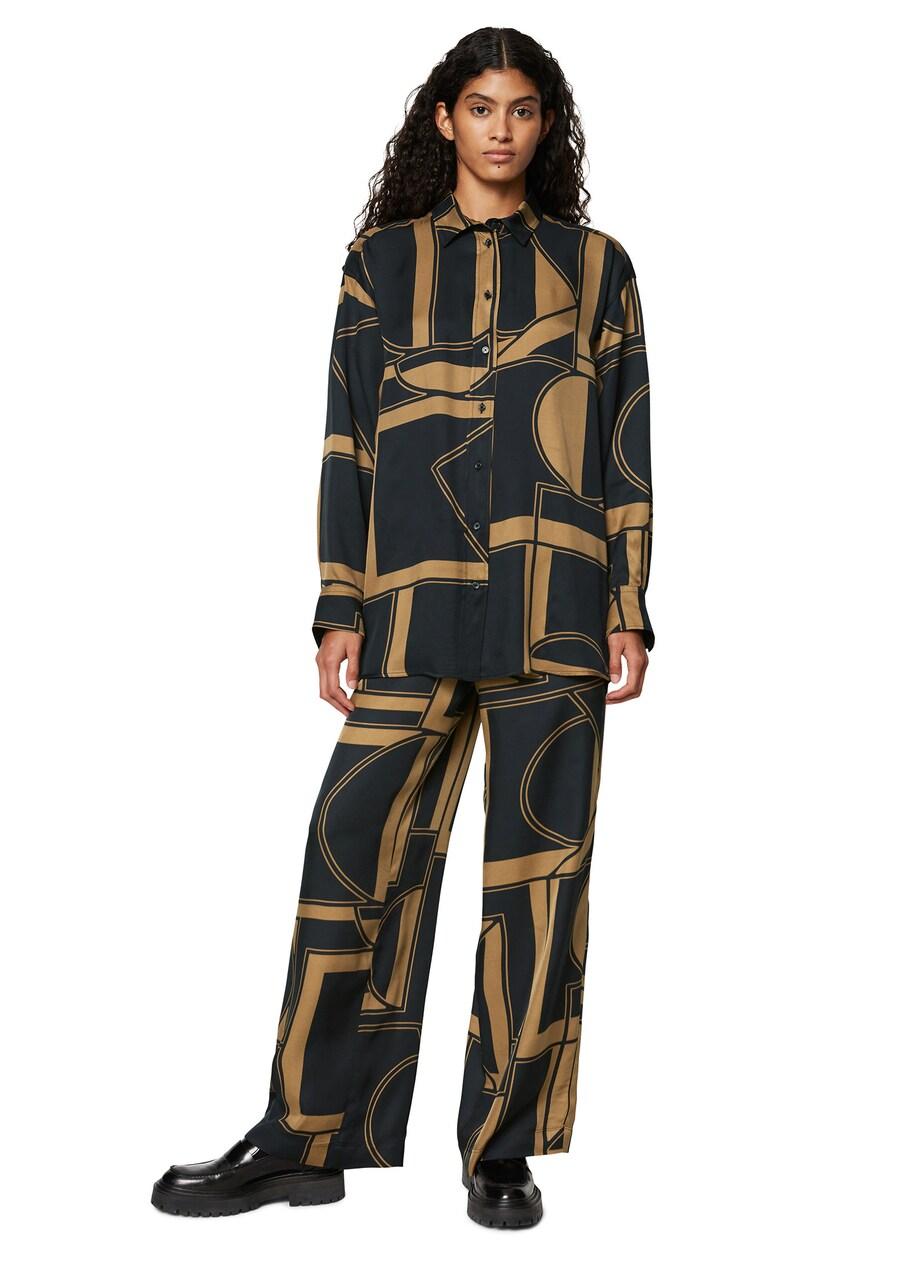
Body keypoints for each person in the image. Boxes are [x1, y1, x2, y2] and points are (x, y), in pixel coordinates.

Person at [151, 24, 654, 1231]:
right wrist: (340, 601)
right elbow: (349, 441)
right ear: (445, 119)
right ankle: (306, 1134)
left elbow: (626, 442)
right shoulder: (381, 263)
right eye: (480, 107)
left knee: (538, 879)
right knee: (353, 848)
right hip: (412, 602)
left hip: (557, 603)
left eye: (521, 109)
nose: (500, 129)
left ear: (546, 124)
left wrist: (629, 604)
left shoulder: (597, 268)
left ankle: (502, 1150)